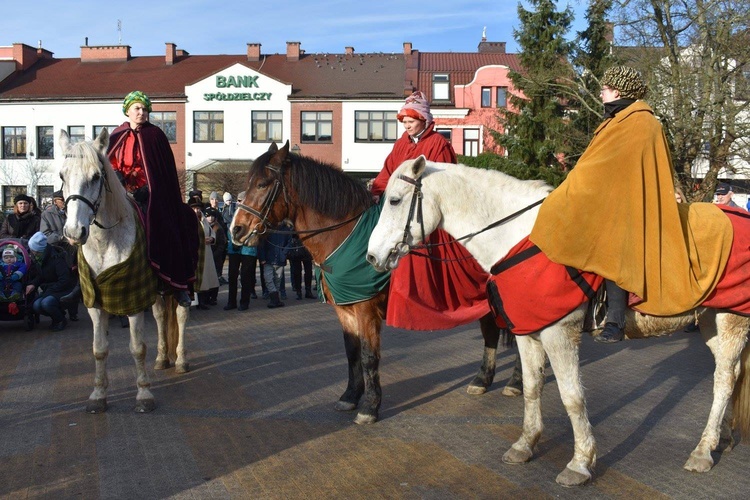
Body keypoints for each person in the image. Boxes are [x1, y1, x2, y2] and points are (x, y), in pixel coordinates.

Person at [529, 66, 732, 343]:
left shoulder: (641, 123)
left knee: (614, 247)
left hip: (635, 206)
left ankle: (615, 320)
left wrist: (577, 186)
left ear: (619, 90)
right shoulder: (616, 120)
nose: (601, 91)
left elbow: (629, 170)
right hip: (612, 200)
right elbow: (597, 166)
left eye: (606, 87)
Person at [369, 90, 491, 330]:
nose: (406, 126)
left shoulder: (438, 144)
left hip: (428, 216)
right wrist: (375, 191)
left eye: (411, 121)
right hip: (401, 213)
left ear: (423, 120)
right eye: (404, 122)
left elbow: (448, 183)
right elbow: (388, 174)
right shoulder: (401, 144)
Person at [107, 90, 199, 307]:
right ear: (127, 111)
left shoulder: (155, 135)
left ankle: (176, 283)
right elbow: (108, 164)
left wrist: (149, 187)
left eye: (145, 109)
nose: (142, 112)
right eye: (137, 108)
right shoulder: (116, 135)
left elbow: (161, 170)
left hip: (149, 194)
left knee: (168, 224)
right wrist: (116, 175)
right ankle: (82, 277)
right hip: (120, 192)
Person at [40, 189, 79, 321]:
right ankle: (58, 310)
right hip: (56, 252)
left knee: (73, 281)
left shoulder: (73, 211)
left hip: (72, 251)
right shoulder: (47, 214)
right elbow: (45, 234)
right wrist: (62, 237)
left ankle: (73, 313)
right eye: (62, 200)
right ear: (55, 201)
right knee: (61, 281)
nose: (65, 202)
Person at [25, 232, 75, 331]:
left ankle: (61, 320)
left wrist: (49, 291)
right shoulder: (40, 258)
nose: (32, 253)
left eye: (33, 250)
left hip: (62, 289)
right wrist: (33, 284)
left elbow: (65, 280)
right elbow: (41, 276)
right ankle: (56, 317)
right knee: (36, 305)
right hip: (51, 289)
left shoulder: (57, 258)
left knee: (46, 303)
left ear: (39, 249)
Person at [189, 195, 219, 309]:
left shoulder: (203, 219)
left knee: (207, 277)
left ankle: (204, 299)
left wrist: (212, 238)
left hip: (207, 252)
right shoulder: (189, 219)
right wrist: (201, 240)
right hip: (196, 252)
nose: (197, 210)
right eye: (194, 208)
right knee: (197, 277)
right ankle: (196, 301)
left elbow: (211, 232)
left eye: (198, 208)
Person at [258, 220, 292, 308]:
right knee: (268, 278)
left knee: (278, 279)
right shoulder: (267, 228)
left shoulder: (286, 229)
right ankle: (275, 299)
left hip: (280, 258)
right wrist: (262, 257)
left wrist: (284, 254)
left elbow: (289, 243)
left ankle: (275, 299)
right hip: (268, 259)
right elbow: (261, 243)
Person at [204, 207, 227, 305]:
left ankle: (214, 297)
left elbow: (222, 245)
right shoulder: (204, 226)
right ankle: (206, 297)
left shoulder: (218, 228)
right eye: (208, 216)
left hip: (216, 257)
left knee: (215, 278)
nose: (210, 218)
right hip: (206, 256)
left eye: (212, 216)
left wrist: (215, 255)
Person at [285, 229, 315, 300]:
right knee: (297, 273)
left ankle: (308, 291)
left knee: (308, 272)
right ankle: (299, 292)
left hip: (306, 249)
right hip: (296, 249)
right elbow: (291, 234)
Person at [208, 192, 228, 284]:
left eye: (216, 199)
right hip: (211, 241)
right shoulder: (208, 212)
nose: (214, 201)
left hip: (221, 238)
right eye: (212, 199)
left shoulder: (221, 211)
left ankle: (219, 276)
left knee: (220, 259)